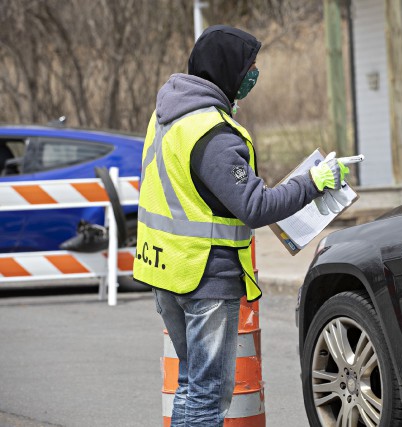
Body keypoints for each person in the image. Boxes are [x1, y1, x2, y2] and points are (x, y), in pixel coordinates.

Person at [132, 25, 348, 426]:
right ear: (228, 69)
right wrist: (313, 183)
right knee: (207, 396)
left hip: (166, 272)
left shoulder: (169, 114)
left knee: (191, 385)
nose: (254, 74)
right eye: (250, 66)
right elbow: (254, 205)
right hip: (204, 279)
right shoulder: (211, 132)